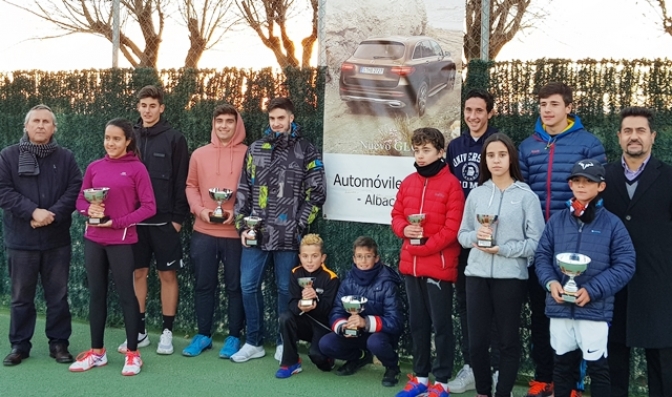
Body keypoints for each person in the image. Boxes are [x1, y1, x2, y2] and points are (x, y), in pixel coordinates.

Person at [518, 82, 607, 397]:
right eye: (542, 103)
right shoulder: (528, 145)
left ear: (568, 107)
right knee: (543, 315)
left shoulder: (588, 143)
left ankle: (573, 385)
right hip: (537, 246)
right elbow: (522, 193)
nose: (547, 109)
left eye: (554, 104)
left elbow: (597, 193)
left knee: (575, 315)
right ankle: (544, 378)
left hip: (574, 247)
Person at [230, 97, 326, 363]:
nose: (276, 123)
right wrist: (242, 224)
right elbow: (244, 189)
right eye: (272, 119)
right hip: (256, 234)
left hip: (288, 235)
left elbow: (317, 192)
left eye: (281, 118)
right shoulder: (256, 148)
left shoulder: (306, 149)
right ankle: (254, 341)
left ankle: (286, 342)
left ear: (291, 118)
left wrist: (298, 224)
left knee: (286, 289)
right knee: (247, 286)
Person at [534, 159, 635, 397]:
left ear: (600, 186)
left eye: (588, 181)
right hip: (559, 307)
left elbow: (626, 264)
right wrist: (551, 283)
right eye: (577, 180)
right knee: (561, 367)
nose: (581, 186)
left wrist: (592, 290)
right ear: (570, 184)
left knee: (598, 369)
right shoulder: (557, 221)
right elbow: (542, 257)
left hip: (594, 309)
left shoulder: (612, 224)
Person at [457, 133, 545, 397]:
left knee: (508, 342)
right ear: (485, 159)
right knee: (476, 343)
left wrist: (504, 250)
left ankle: (502, 392)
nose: (496, 160)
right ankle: (484, 391)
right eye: (491, 155)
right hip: (476, 275)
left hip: (511, 278)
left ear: (511, 158)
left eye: (502, 154)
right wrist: (476, 238)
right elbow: (462, 235)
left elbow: (536, 242)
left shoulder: (526, 196)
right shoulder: (476, 194)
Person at [68, 118, 156, 376]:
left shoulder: (137, 169)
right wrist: (89, 209)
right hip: (93, 240)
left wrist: (117, 222)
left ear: (128, 140)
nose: (110, 143)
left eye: (116, 138)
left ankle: (133, 354)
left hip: (121, 242)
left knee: (127, 296)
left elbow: (149, 207)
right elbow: (80, 200)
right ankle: (97, 353)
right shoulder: (95, 167)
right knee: (97, 295)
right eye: (107, 137)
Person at [0, 104, 82, 366]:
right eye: (35, 121)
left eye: (46, 121)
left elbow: (75, 190)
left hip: (56, 239)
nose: (40, 125)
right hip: (20, 240)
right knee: (21, 298)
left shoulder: (66, 157)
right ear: (26, 126)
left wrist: (52, 214)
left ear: (54, 128)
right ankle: (19, 346)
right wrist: (33, 211)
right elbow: (3, 191)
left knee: (57, 296)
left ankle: (59, 344)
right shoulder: (8, 156)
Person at [602, 107, 672, 397]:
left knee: (663, 365)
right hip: (614, 284)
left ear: (652, 136)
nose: (634, 137)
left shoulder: (668, 177)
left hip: (658, 284)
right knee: (614, 360)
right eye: (628, 131)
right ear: (619, 137)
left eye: (640, 130)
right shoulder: (602, 177)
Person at [391, 127, 464, 397]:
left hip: (438, 267)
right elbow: (397, 214)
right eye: (417, 150)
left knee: (441, 325)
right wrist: (403, 230)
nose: (420, 156)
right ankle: (421, 378)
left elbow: (452, 228)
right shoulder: (409, 181)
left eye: (426, 150)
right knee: (418, 323)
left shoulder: (452, 184)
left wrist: (424, 249)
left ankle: (441, 382)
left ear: (440, 152)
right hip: (411, 267)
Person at [118, 85, 190, 355]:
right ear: (138, 107)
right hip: (134, 223)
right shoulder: (129, 137)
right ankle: (140, 331)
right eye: (143, 105)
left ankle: (167, 332)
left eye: (153, 106)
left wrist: (177, 220)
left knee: (167, 274)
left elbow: (182, 180)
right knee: (138, 273)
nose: (147, 111)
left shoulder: (174, 138)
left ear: (161, 108)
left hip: (164, 223)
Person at [445, 89, 500, 394]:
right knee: (466, 305)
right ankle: (471, 366)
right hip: (463, 240)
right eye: (469, 110)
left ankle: (491, 370)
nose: (474, 116)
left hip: (491, 239)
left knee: (491, 307)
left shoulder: (499, 144)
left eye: (480, 111)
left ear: (490, 113)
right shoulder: (455, 147)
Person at [182, 104, 247, 359]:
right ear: (213, 123)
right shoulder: (199, 154)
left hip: (235, 234)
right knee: (203, 285)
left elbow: (253, 190)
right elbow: (191, 186)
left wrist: (237, 214)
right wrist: (200, 210)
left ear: (236, 124)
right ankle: (203, 336)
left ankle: (233, 337)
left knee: (235, 287)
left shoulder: (248, 153)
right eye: (219, 120)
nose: (223, 125)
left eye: (229, 121)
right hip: (203, 231)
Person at [318, 236, 404, 387]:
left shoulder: (387, 283)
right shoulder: (348, 281)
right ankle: (359, 357)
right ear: (354, 258)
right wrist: (344, 325)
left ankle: (392, 366)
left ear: (376, 258)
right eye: (359, 256)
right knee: (326, 343)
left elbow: (396, 321)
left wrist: (365, 322)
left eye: (368, 256)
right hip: (356, 333)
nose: (363, 261)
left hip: (382, 335)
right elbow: (337, 311)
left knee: (375, 342)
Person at [275, 234, 339, 378]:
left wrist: (314, 301)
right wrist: (300, 305)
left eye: (314, 256)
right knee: (285, 318)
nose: (309, 261)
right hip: (303, 323)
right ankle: (290, 362)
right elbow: (291, 304)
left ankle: (327, 356)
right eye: (305, 256)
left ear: (323, 258)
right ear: (300, 257)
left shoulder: (331, 278)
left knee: (319, 359)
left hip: (322, 325)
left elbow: (329, 310)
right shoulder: (295, 273)